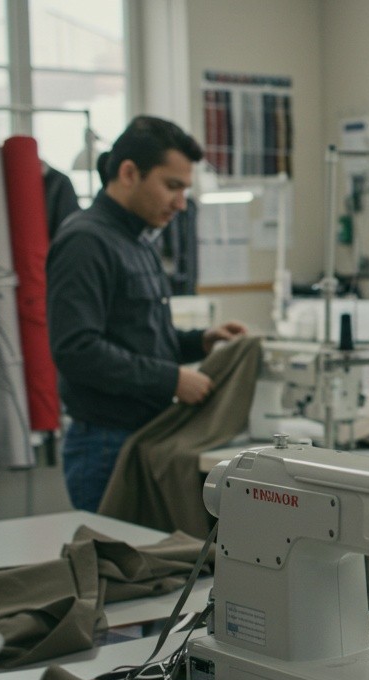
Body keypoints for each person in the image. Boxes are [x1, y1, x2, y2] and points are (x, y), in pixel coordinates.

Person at [47, 116, 247, 513]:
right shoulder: (86, 242)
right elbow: (76, 349)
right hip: (105, 444)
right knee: (115, 570)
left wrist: (200, 341)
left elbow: (139, 336)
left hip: (142, 436)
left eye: (185, 189)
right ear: (128, 173)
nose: (180, 202)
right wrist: (171, 379)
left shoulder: (138, 241)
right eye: (172, 186)